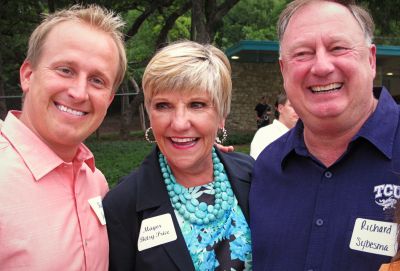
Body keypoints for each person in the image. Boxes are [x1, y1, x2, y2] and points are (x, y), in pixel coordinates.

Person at [250, 1, 400, 270]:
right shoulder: (266, 168)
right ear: (284, 70)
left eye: (338, 48)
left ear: (371, 59)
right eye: (303, 53)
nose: (321, 67)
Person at [103, 41, 254, 271]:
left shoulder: (252, 176)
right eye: (163, 106)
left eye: (197, 104)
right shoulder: (122, 204)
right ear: (149, 115)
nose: (180, 123)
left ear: (221, 115)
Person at [0, 5, 127, 270]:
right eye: (65, 70)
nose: (80, 93)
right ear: (28, 74)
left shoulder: (96, 182)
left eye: (97, 80)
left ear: (109, 99)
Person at [250, 92, 298, 159]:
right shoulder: (265, 134)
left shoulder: (304, 136)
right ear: (280, 108)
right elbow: (259, 167)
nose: (298, 110)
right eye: (292, 106)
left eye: (301, 106)